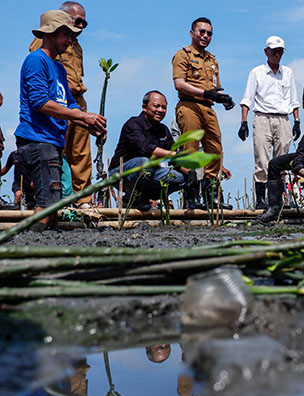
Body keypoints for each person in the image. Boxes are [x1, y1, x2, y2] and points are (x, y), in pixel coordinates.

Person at [15, 10, 106, 228]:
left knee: (53, 208)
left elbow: (69, 103)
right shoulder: (36, 60)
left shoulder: (58, 67)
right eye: (65, 34)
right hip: (38, 139)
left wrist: (87, 123)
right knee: (46, 206)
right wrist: (82, 115)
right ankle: (26, 246)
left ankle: (40, 244)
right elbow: (40, 103)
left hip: (52, 141)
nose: (70, 40)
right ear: (50, 34)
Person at [29, 2, 93, 209]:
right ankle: (54, 200)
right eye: (78, 21)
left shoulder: (77, 46)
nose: (82, 26)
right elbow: (40, 76)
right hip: (56, 103)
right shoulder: (42, 45)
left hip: (76, 101)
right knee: (56, 150)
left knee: (81, 153)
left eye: (85, 22)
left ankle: (83, 199)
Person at [173, 17, 234, 210]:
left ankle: (212, 197)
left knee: (215, 148)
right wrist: (205, 93)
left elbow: (215, 87)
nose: (206, 36)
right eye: (202, 32)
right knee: (191, 149)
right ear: (192, 33)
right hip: (189, 105)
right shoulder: (182, 55)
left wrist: (223, 98)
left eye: (209, 33)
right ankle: (191, 197)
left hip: (208, 107)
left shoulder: (212, 59)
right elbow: (179, 83)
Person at [238, 35, 301, 209]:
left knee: (281, 161)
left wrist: (297, 120)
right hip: (262, 117)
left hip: (283, 118)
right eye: (274, 51)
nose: (277, 54)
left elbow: (294, 99)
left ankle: (278, 200)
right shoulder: (256, 72)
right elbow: (247, 99)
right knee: (262, 160)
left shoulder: (288, 73)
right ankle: (260, 201)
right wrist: (244, 122)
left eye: (280, 51)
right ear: (266, 52)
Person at [109, 91, 199, 210]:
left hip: (150, 173)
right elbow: (146, 148)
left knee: (182, 178)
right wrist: (175, 154)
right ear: (144, 107)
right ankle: (132, 197)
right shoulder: (133, 124)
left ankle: (146, 197)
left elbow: (173, 161)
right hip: (121, 173)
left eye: (164, 107)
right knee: (144, 162)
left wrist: (190, 173)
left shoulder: (163, 130)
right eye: (156, 106)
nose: (160, 110)